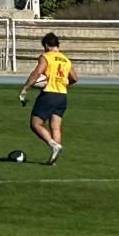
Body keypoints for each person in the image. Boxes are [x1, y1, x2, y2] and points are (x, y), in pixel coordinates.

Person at [18, 32, 78, 164]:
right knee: (55, 127)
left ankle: (53, 145)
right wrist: (63, 84)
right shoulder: (65, 59)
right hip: (62, 96)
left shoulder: (46, 56)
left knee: (35, 124)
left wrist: (25, 88)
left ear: (46, 45)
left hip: (49, 94)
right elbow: (74, 78)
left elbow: (37, 72)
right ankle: (54, 159)